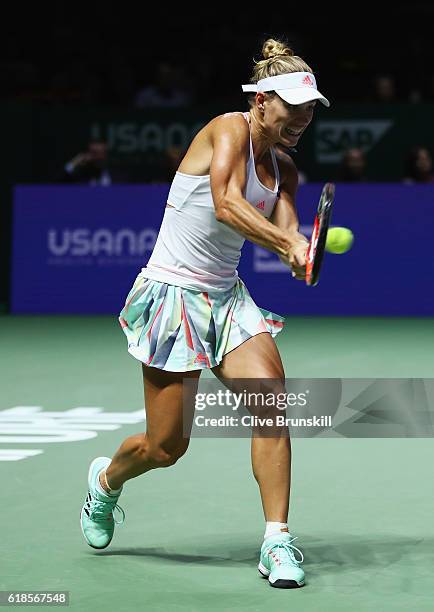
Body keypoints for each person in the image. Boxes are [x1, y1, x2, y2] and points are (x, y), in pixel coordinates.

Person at [80, 38, 330, 590]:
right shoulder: (224, 129)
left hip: (228, 298)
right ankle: (106, 479)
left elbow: (286, 230)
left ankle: (277, 539)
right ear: (262, 99)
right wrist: (284, 245)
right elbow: (226, 202)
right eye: (293, 107)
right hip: (174, 296)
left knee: (272, 405)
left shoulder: (284, 168)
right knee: (165, 447)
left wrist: (298, 252)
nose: (302, 119)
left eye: (311, 109)